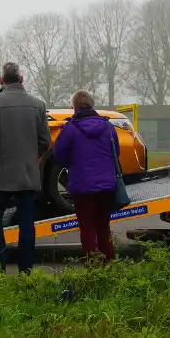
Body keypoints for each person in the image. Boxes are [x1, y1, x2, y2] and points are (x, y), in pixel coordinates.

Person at [0, 62, 51, 274]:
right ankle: (26, 271)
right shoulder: (38, 104)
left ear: (1, 80)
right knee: (27, 223)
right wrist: (33, 156)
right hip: (27, 174)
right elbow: (45, 140)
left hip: (1, 174)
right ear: (21, 79)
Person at [52, 89, 119, 264]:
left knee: (87, 229)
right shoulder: (108, 127)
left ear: (74, 107)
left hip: (82, 187)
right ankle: (111, 265)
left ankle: (93, 269)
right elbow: (116, 152)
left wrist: (71, 164)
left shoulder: (70, 128)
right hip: (106, 186)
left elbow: (58, 154)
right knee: (104, 226)